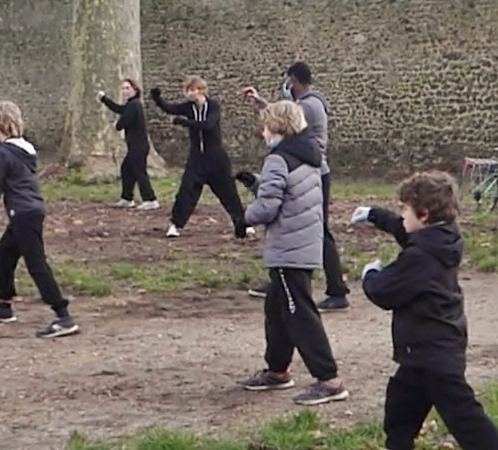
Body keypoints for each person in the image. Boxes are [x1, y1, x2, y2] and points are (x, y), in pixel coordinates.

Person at [353, 170, 498, 450]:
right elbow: (405, 232)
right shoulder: (441, 239)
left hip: (435, 353)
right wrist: (377, 216)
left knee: (464, 416)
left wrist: (371, 274)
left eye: (405, 210)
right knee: (402, 400)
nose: (402, 216)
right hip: (424, 349)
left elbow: (385, 291)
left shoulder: (421, 257)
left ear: (423, 215)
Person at [240, 101, 348, 406]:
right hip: (305, 242)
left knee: (298, 311)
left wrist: (243, 217)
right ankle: (277, 370)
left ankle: (329, 379)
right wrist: (257, 185)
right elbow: (293, 194)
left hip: (288, 247)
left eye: (264, 126)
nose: (262, 133)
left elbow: (268, 207)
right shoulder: (309, 156)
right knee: (277, 308)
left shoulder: (277, 159)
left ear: (276, 127)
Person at [242, 62, 349, 311]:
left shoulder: (308, 106)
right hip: (310, 171)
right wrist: (260, 102)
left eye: (288, 81)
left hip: (310, 173)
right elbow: (281, 114)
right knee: (294, 225)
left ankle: (337, 290)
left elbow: (284, 118)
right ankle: (282, 280)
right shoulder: (311, 103)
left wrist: (263, 106)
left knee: (318, 230)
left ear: (293, 80)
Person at [0, 100, 79, 339]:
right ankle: (4, 306)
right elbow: (14, 164)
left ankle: (63, 316)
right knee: (2, 255)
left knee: (37, 264)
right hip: (32, 210)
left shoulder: (3, 155)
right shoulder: (26, 148)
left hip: (21, 213)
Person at [149, 76, 248, 239]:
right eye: (187, 90)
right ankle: (175, 224)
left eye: (193, 89)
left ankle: (242, 222)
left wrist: (185, 123)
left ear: (201, 90)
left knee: (228, 192)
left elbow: (209, 125)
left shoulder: (213, 106)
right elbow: (170, 109)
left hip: (216, 158)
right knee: (186, 190)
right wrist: (157, 98)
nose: (190, 93)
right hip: (197, 158)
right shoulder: (189, 108)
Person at [97, 79, 159, 210]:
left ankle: (150, 199)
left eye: (127, 88)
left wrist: (117, 125)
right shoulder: (131, 104)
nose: (125, 91)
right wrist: (104, 99)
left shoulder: (135, 105)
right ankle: (127, 198)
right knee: (126, 169)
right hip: (135, 146)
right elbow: (119, 109)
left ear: (135, 90)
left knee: (139, 171)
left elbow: (124, 121)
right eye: (123, 88)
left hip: (139, 146)